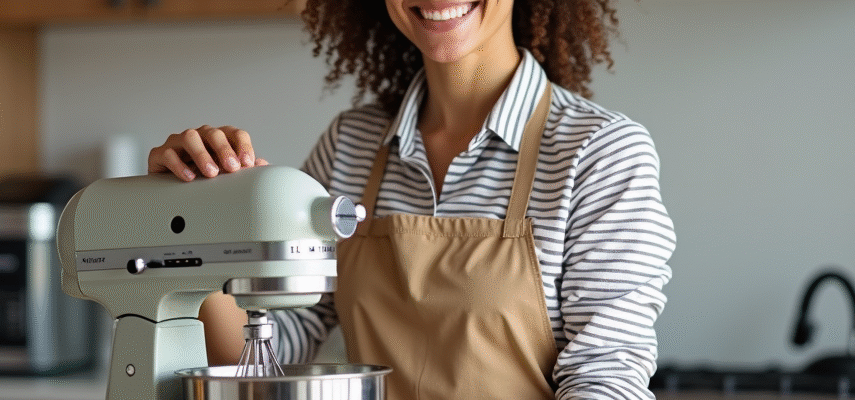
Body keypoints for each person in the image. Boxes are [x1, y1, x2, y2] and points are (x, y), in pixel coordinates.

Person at [146, 0, 675, 398]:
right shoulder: (350, 144)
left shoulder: (600, 153)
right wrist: (196, 222)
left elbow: (606, 378)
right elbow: (265, 358)